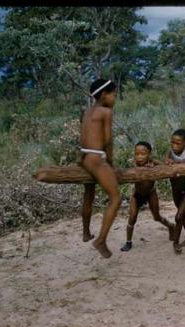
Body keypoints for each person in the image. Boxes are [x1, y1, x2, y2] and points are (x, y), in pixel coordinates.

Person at [79, 79, 120, 258]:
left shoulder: (87, 112)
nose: (114, 98)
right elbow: (108, 141)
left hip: (84, 157)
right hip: (96, 158)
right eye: (113, 94)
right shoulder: (105, 112)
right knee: (115, 198)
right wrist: (110, 163)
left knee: (89, 193)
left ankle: (86, 232)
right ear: (104, 95)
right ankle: (101, 240)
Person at [120, 141, 176, 252]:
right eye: (137, 154)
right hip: (137, 194)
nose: (139, 157)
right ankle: (128, 242)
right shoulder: (134, 163)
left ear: (149, 154)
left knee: (156, 217)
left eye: (143, 154)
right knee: (132, 218)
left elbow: (164, 168)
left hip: (151, 193)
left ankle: (171, 226)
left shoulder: (153, 162)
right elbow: (129, 172)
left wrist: (156, 166)